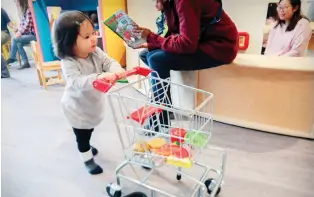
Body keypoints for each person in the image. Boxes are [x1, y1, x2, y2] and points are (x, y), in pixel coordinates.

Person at [136, 0, 238, 133]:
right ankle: (166, 108)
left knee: (156, 59)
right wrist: (152, 42)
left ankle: (160, 120)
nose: (155, 4)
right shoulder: (172, 3)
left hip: (220, 47)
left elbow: (187, 44)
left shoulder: (185, 1)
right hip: (202, 41)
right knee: (146, 54)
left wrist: (152, 38)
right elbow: (176, 33)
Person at [52, 11, 125, 175]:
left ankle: (87, 144)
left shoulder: (96, 52)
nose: (93, 38)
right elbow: (77, 81)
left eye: (93, 32)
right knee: (82, 135)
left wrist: (116, 69)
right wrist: (99, 77)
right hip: (76, 108)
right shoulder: (68, 62)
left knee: (90, 129)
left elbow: (108, 61)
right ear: (68, 42)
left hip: (92, 104)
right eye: (86, 37)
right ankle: (87, 159)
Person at [6, 0, 36, 70]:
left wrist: (19, 33)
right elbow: (22, 25)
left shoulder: (29, 10)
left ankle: (12, 57)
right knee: (18, 42)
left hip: (35, 35)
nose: (16, 3)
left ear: (21, 1)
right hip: (29, 34)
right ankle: (26, 62)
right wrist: (19, 32)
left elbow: (27, 26)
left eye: (16, 1)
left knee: (15, 39)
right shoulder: (25, 11)